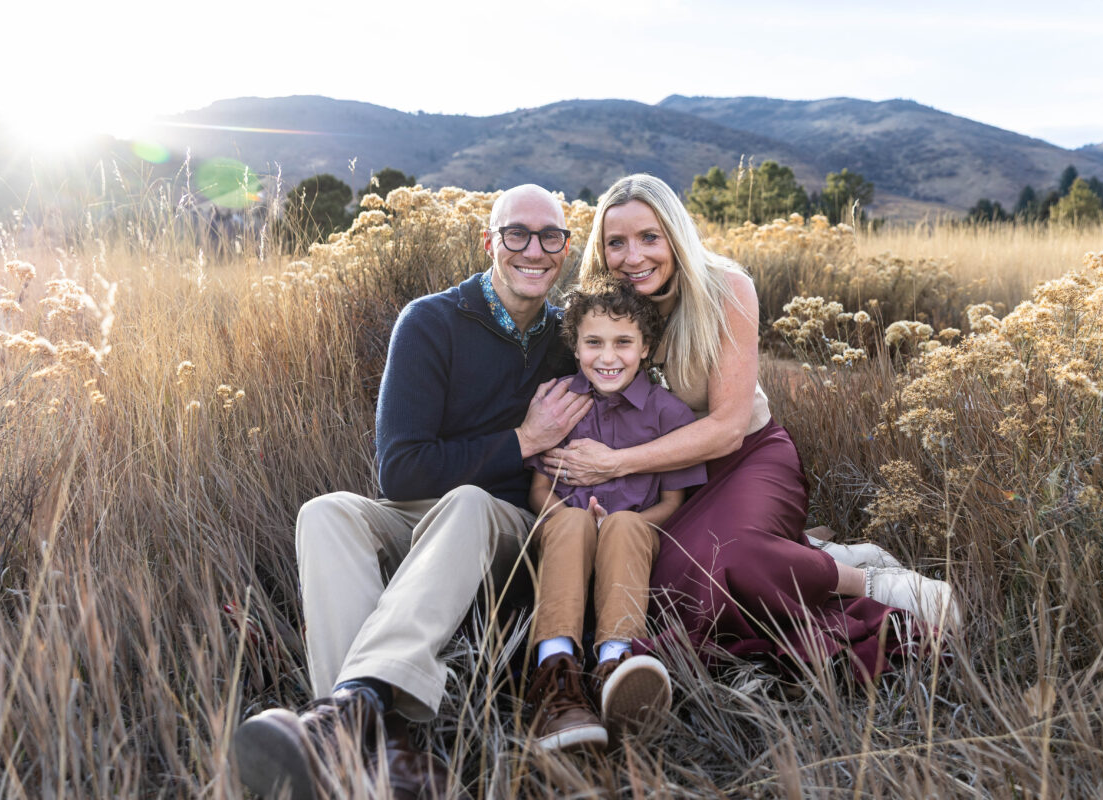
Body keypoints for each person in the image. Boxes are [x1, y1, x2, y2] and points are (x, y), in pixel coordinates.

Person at [234, 184, 590, 800]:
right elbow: (399, 474)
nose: (534, 250)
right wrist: (524, 438)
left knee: (468, 502)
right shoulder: (431, 322)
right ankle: (373, 738)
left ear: (564, 248)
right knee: (326, 513)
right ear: (489, 242)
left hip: (510, 533)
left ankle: (346, 716)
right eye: (517, 234)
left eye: (550, 236)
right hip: (421, 520)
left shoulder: (573, 339)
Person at [544, 174, 960, 681]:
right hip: (661, 483)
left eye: (649, 237)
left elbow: (727, 429)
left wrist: (613, 464)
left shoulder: (725, 289)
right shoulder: (601, 308)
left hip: (742, 459)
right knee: (664, 588)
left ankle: (868, 582)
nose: (633, 257)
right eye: (617, 242)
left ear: (675, 235)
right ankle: (809, 551)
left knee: (728, 561)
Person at [521, 278, 707, 750]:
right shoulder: (560, 403)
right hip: (566, 538)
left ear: (645, 347)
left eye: (623, 342)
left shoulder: (669, 415)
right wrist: (582, 521)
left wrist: (613, 527)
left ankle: (616, 665)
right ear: (575, 346)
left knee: (625, 524)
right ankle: (554, 676)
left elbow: (671, 504)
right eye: (594, 343)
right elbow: (539, 491)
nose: (608, 357)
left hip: (632, 543)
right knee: (568, 520)